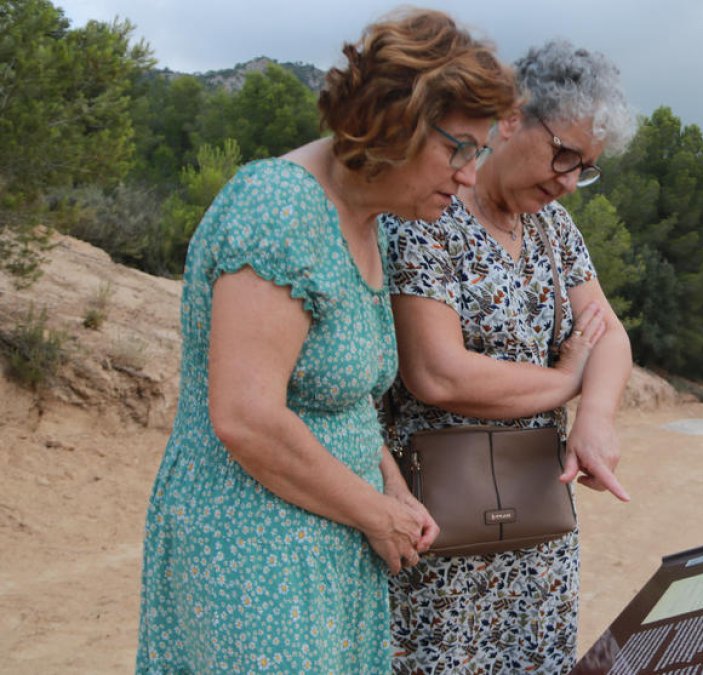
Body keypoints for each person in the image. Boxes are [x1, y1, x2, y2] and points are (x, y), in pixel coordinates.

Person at [135, 9, 517, 672]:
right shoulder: (279, 209)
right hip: (251, 555)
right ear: (396, 120)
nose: (467, 174)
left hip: (327, 538)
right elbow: (246, 416)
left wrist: (392, 488)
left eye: (477, 153)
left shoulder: (370, 223)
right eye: (459, 147)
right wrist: (377, 511)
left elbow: (340, 399)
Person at [381, 40, 637, 673]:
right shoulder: (424, 210)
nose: (570, 182)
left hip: (537, 541)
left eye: (586, 167)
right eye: (564, 155)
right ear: (514, 116)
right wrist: (562, 383)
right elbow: (438, 373)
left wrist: (596, 419)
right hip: (437, 536)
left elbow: (610, 334)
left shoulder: (553, 229)